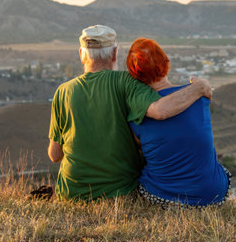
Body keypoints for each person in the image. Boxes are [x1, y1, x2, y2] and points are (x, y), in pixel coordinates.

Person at [48, 25, 212, 201]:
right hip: (119, 194)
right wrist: (199, 88)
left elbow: (54, 155)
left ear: (81, 54)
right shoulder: (125, 82)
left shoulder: (63, 91)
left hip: (70, 194)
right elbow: (160, 110)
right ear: (114, 53)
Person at [126, 37, 231, 208]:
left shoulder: (136, 114)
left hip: (165, 198)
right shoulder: (199, 98)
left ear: (134, 75)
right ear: (167, 64)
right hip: (213, 196)